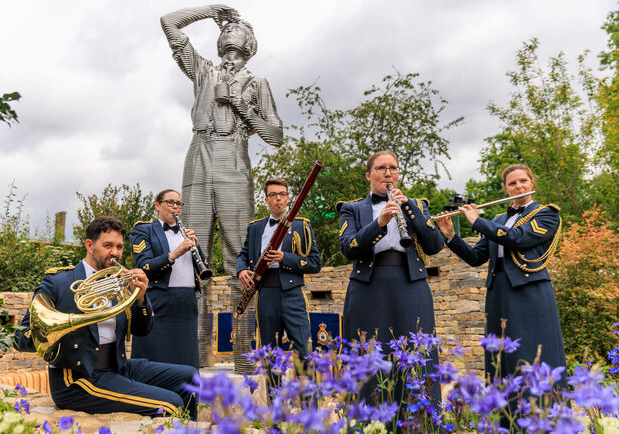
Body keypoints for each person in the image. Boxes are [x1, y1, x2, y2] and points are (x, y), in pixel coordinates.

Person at [161, 4, 283, 370]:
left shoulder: (257, 83)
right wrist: (211, 9)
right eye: (227, 28)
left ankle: (245, 364)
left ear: (250, 43)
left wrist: (240, 107)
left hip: (233, 157)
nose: (231, 31)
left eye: (239, 28)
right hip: (198, 153)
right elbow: (169, 23)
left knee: (239, 260)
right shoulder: (203, 71)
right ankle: (195, 362)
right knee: (193, 256)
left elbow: (275, 135)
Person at [16, 217, 198, 418]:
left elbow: (142, 330)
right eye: (108, 245)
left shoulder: (120, 280)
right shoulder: (58, 281)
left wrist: (140, 297)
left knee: (190, 376)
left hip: (118, 366)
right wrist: (56, 333)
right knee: (171, 404)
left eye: (119, 247)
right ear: (89, 245)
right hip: (77, 379)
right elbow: (21, 337)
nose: (115, 252)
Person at [434, 164, 567, 397]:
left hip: (530, 291)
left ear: (532, 182)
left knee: (530, 352)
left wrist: (476, 221)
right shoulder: (498, 218)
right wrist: (451, 236)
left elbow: (518, 238)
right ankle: (506, 419)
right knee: (500, 358)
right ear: (506, 188)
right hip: (498, 292)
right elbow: (476, 258)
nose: (519, 186)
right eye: (512, 183)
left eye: (523, 181)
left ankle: (541, 415)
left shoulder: (547, 213)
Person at [337, 151, 445, 404]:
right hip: (368, 287)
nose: (388, 173)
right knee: (370, 352)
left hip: (410, 284)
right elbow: (348, 248)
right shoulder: (351, 209)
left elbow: (434, 245)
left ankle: (420, 421)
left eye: (393, 168)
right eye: (381, 168)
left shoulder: (417, 205)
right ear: (368, 175)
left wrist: (411, 210)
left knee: (416, 350)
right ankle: (371, 421)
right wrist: (379, 223)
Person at [237, 179, 321, 362]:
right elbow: (243, 255)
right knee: (269, 350)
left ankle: (306, 391)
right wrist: (242, 270)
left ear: (288, 198)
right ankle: (273, 391)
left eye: (282, 194)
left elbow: (315, 263)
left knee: (303, 348)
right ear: (266, 200)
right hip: (265, 292)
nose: (278, 198)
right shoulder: (255, 227)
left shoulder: (302, 226)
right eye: (273, 195)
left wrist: (285, 258)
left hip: (293, 293)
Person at [130, 189, 207, 369]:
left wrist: (196, 246)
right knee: (155, 357)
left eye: (178, 204)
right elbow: (144, 266)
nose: (175, 207)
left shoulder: (185, 233)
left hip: (186, 302)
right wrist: (174, 254)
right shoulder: (143, 230)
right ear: (157, 205)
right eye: (170, 202)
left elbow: (202, 266)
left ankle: (188, 396)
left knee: (186, 357)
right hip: (159, 300)